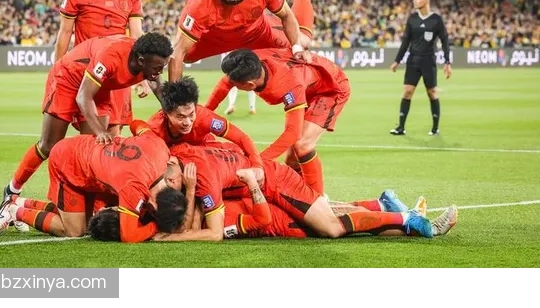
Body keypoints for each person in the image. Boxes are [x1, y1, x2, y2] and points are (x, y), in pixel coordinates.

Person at [0, 32, 173, 218]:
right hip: (68, 78)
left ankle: (92, 210)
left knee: (94, 153)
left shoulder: (149, 63)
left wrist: (171, 113)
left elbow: (158, 87)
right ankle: (12, 190)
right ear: (141, 60)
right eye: (158, 68)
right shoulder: (111, 55)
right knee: (49, 146)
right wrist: (100, 131)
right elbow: (83, 96)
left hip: (98, 87)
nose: (160, 73)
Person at [151, 141, 434, 242]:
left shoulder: (210, 202)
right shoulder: (190, 166)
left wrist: (252, 182)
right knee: (333, 213)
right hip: (271, 193)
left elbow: (207, 232)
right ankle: (382, 205)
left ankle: (406, 219)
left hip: (275, 184)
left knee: (333, 228)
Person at [0, 129, 188, 243]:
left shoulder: (160, 149)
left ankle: (19, 201)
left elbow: (139, 125)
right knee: (74, 231)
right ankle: (13, 210)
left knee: (83, 221)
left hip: (86, 152)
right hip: (69, 164)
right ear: (153, 204)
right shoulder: (134, 187)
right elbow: (129, 235)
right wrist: (155, 226)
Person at [205, 47, 351, 195]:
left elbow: (292, 132)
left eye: (235, 85)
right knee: (292, 156)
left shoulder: (287, 84)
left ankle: (318, 198)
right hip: (307, 82)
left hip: (330, 88)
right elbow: (224, 84)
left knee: (302, 144)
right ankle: (303, 196)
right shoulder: (252, 61)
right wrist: (203, 114)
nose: (230, 84)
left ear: (250, 85)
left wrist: (258, 162)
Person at [168, 0, 336, 81]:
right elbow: (178, 53)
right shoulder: (203, 4)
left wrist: (297, 48)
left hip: (258, 33)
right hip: (218, 37)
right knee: (185, 54)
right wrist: (174, 102)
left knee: (303, 41)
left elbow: (286, 15)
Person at [55, 0, 149, 136]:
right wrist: (57, 71)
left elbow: (136, 35)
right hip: (89, 73)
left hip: (119, 74)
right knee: (92, 139)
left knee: (114, 139)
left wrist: (142, 77)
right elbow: (64, 33)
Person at [218, 170, 458, 239]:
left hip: (280, 206)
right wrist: (253, 184)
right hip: (287, 224)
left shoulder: (211, 207)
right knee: (350, 220)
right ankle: (419, 223)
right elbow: (262, 219)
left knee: (335, 208)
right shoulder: (219, 226)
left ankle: (386, 207)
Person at [131, 76, 264, 175]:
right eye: (180, 117)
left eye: (191, 114)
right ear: (166, 114)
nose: (188, 122)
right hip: (178, 164)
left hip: (208, 154)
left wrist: (257, 166)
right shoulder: (155, 129)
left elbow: (241, 137)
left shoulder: (205, 117)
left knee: (240, 153)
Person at [390, 0, 452, 136]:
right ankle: (401, 127)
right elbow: (406, 41)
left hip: (428, 61)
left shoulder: (436, 20)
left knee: (432, 93)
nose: (414, 1)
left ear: (426, 0)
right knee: (407, 92)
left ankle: (435, 128)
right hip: (413, 61)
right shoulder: (412, 19)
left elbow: (444, 41)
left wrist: (447, 62)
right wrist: (397, 60)